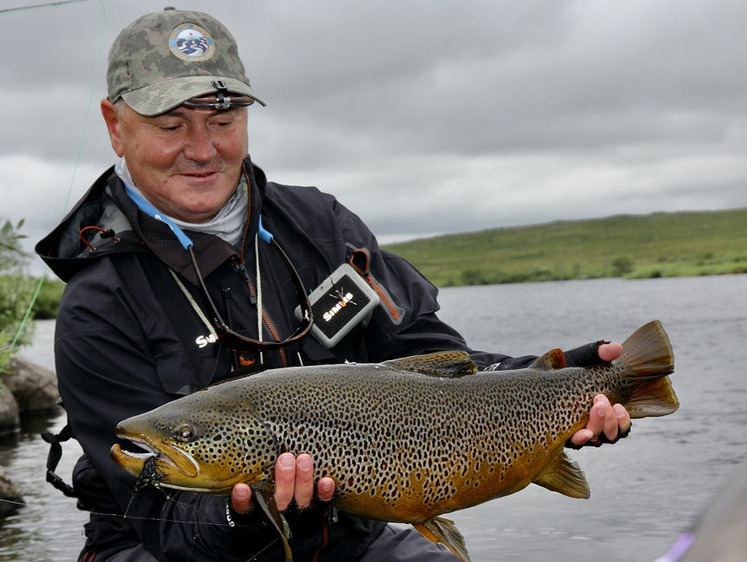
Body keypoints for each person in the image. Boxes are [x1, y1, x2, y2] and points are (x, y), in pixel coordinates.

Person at [36, 8, 631, 561]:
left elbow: (429, 363)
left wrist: (547, 379)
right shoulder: (98, 305)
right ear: (116, 126)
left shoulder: (321, 227)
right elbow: (154, 512)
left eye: (223, 120)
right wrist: (248, 517)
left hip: (349, 535)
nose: (202, 149)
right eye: (171, 124)